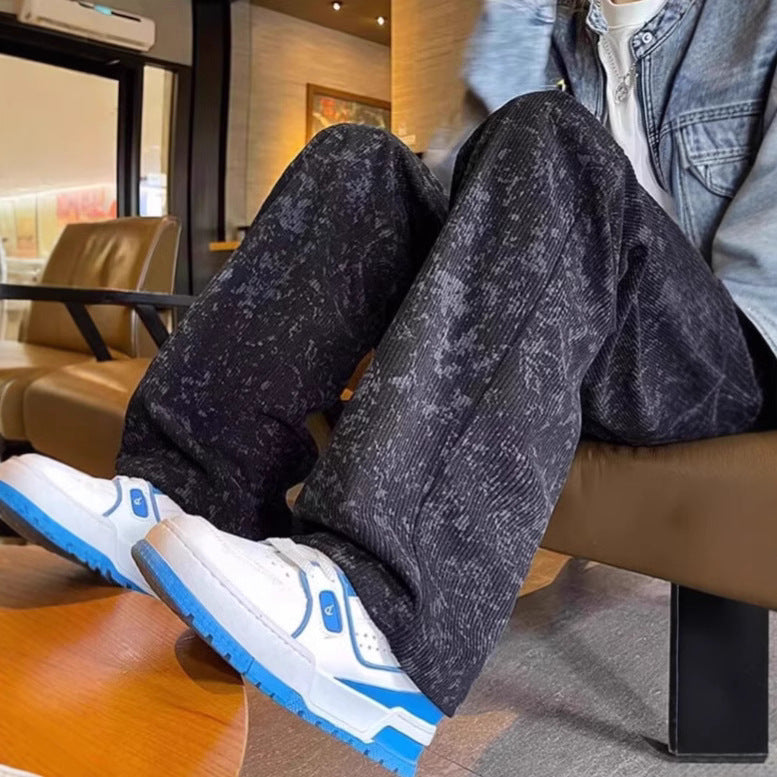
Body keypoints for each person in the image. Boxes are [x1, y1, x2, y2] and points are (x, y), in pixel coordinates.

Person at [1, 0, 776, 774]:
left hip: (724, 357)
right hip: (568, 321)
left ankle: (378, 614)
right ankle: (187, 492)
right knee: (357, 159)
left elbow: (758, 276)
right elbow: (467, 181)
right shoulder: (563, 29)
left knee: (553, 132)